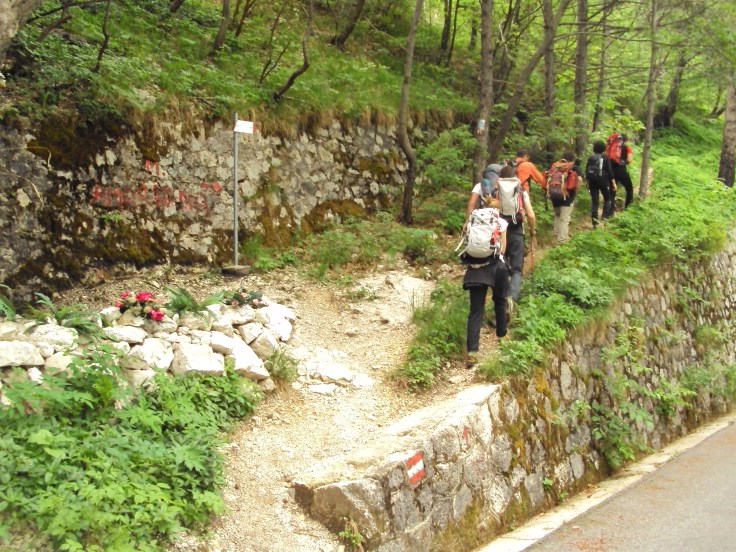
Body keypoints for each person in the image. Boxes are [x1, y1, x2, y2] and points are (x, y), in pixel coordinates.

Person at [460, 194, 509, 368]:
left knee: (475, 310)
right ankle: (502, 338)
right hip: (496, 268)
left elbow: (465, 240)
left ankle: (472, 353)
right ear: (497, 210)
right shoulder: (501, 223)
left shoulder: (473, 221)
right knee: (500, 301)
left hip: (475, 269)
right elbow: (502, 249)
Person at [496, 165, 536, 314]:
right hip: (517, 230)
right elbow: (530, 214)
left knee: (502, 266)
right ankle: (512, 299)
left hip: (500, 231)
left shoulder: (496, 190)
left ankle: (502, 299)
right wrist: (532, 231)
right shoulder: (521, 190)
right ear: (514, 176)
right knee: (517, 269)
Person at [546, 152, 583, 243]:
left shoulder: (555, 167)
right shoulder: (574, 167)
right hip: (567, 196)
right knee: (564, 219)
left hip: (554, 195)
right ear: (572, 160)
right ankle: (561, 240)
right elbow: (579, 179)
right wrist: (575, 191)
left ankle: (556, 236)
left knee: (557, 215)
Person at [586, 140, 617, 228]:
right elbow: (610, 171)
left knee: (594, 202)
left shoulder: (590, 158)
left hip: (592, 182)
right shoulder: (605, 158)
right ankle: (604, 217)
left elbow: (587, 171)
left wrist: (587, 183)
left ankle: (594, 223)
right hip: (603, 181)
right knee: (607, 199)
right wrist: (613, 183)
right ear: (604, 148)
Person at [609, 134, 634, 209]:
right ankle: (627, 208)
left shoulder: (611, 147)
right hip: (621, 170)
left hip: (611, 171)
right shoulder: (626, 147)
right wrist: (624, 162)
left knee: (612, 190)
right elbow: (629, 160)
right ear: (625, 140)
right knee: (629, 189)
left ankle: (610, 210)